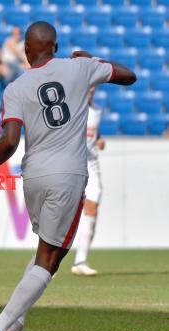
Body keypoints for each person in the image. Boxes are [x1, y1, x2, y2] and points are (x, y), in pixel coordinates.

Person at [0, 21, 135, 331]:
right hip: (68, 175)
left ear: (27, 51)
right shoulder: (78, 67)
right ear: (56, 47)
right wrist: (91, 59)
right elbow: (129, 75)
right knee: (50, 260)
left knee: (44, 253)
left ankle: (15, 329)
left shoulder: (16, 87)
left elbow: (11, 141)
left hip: (33, 176)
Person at [71, 86, 103, 277]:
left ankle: (80, 260)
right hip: (73, 164)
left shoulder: (97, 111)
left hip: (92, 166)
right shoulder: (72, 109)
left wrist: (99, 139)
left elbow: (93, 134)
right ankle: (45, 260)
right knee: (62, 213)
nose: (90, 90)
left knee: (92, 209)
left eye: (92, 87)